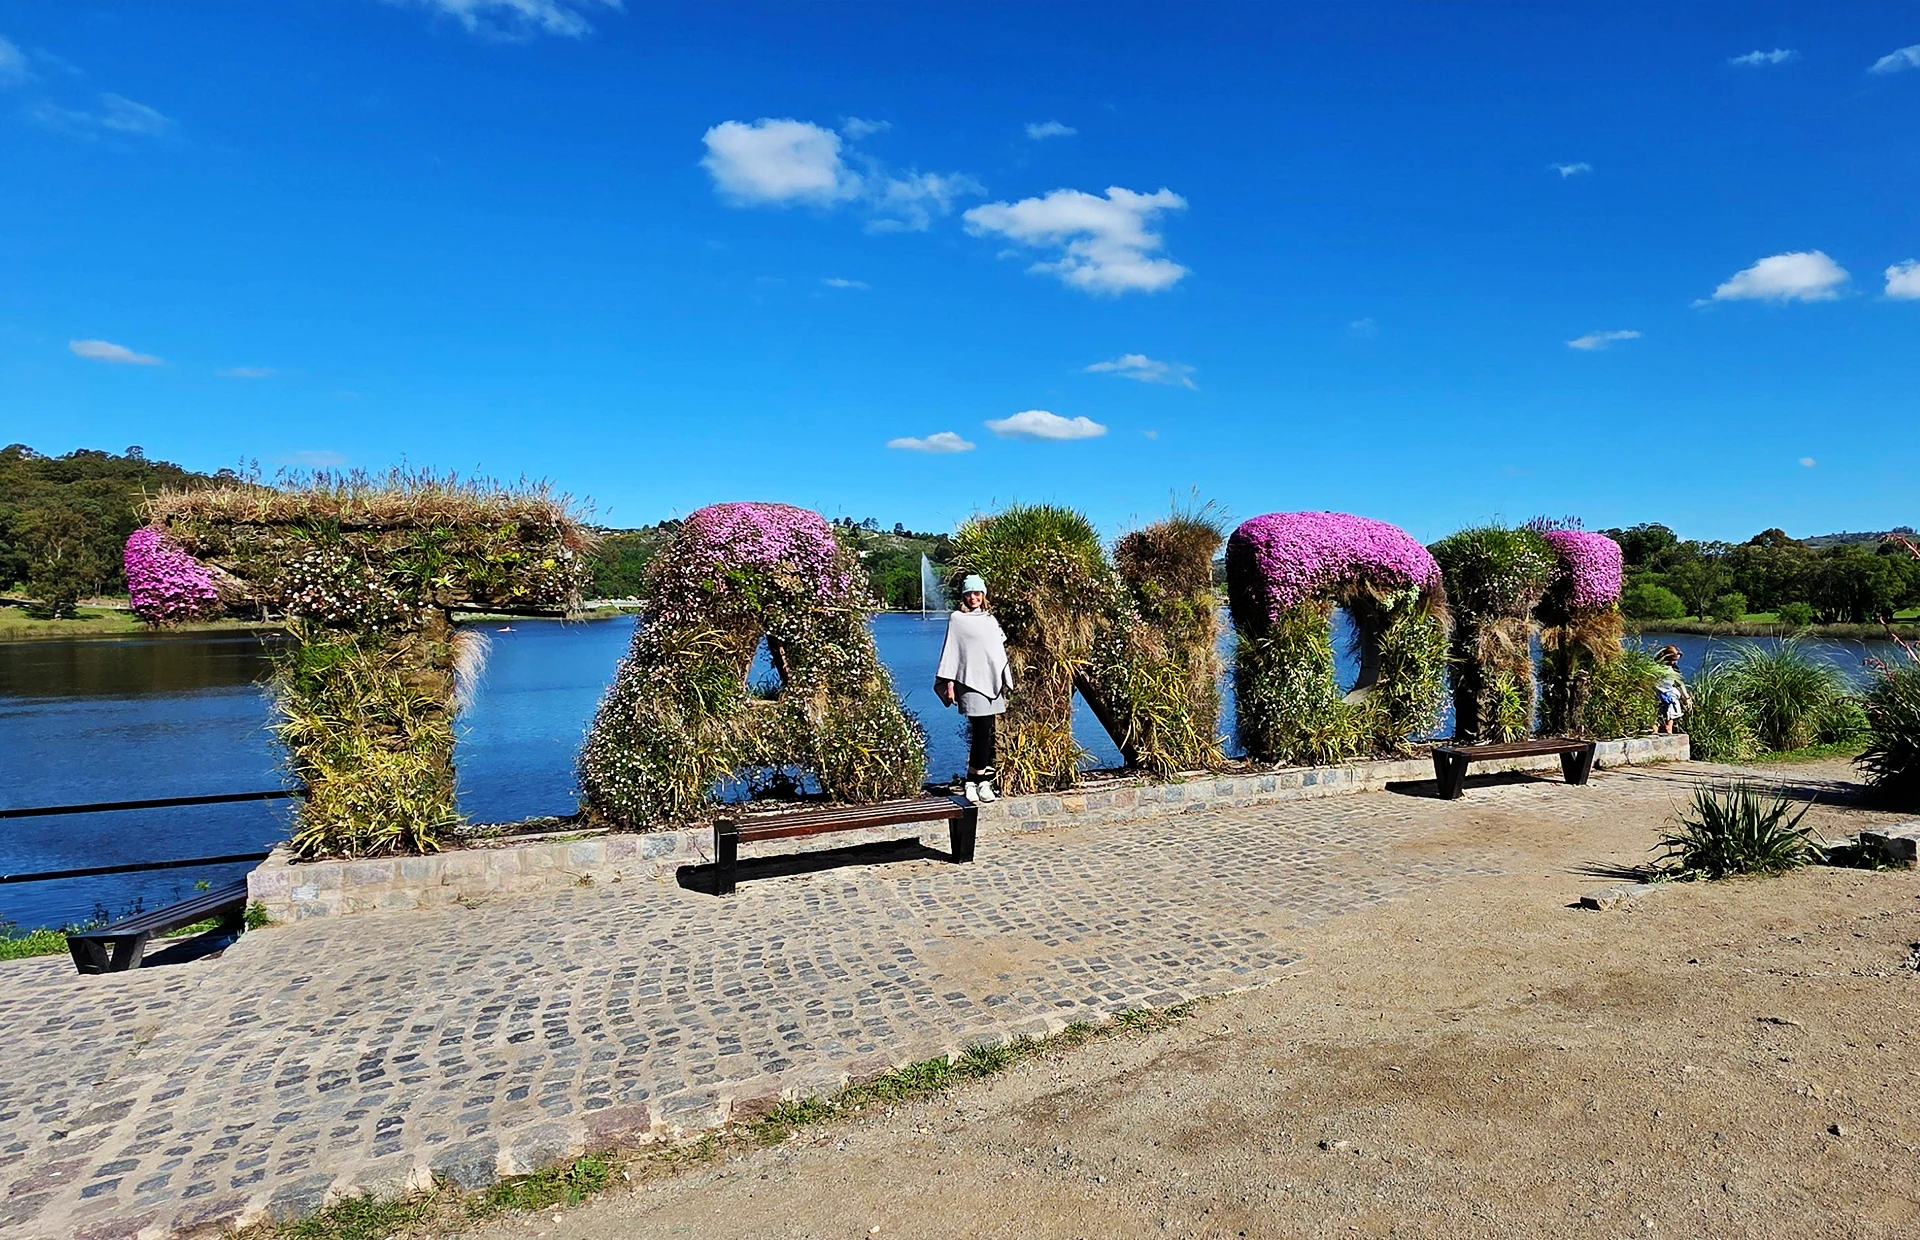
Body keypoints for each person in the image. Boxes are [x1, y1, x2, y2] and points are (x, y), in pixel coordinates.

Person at [935, 574, 1013, 804]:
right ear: (964, 596)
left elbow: (996, 649)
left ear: (983, 595)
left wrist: (1003, 676)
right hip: (969, 683)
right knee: (980, 729)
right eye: (969, 593)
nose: (973, 597)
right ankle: (973, 780)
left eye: (977, 593)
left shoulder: (990, 619)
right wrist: (949, 682)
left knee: (987, 733)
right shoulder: (957, 619)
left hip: (992, 682)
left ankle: (981, 781)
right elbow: (952, 651)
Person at [1654, 644, 1693, 735]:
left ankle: (1668, 731)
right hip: (1657, 694)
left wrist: (1686, 697)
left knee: (1670, 714)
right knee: (1656, 715)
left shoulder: (1674, 668)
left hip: (1668, 695)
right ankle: (1655, 732)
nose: (1675, 662)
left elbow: (1679, 683)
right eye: (1673, 660)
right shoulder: (1656, 667)